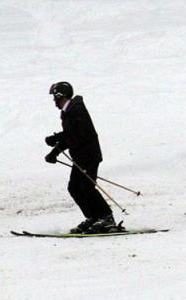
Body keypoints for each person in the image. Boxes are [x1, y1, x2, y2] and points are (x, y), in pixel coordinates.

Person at [44, 81, 120, 233]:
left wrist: (57, 140)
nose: (54, 101)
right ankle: (94, 216)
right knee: (74, 188)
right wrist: (55, 151)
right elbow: (71, 136)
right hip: (80, 157)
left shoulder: (76, 110)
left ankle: (106, 218)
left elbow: (78, 134)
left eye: (55, 97)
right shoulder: (68, 111)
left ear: (61, 96)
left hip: (89, 155)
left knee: (86, 187)